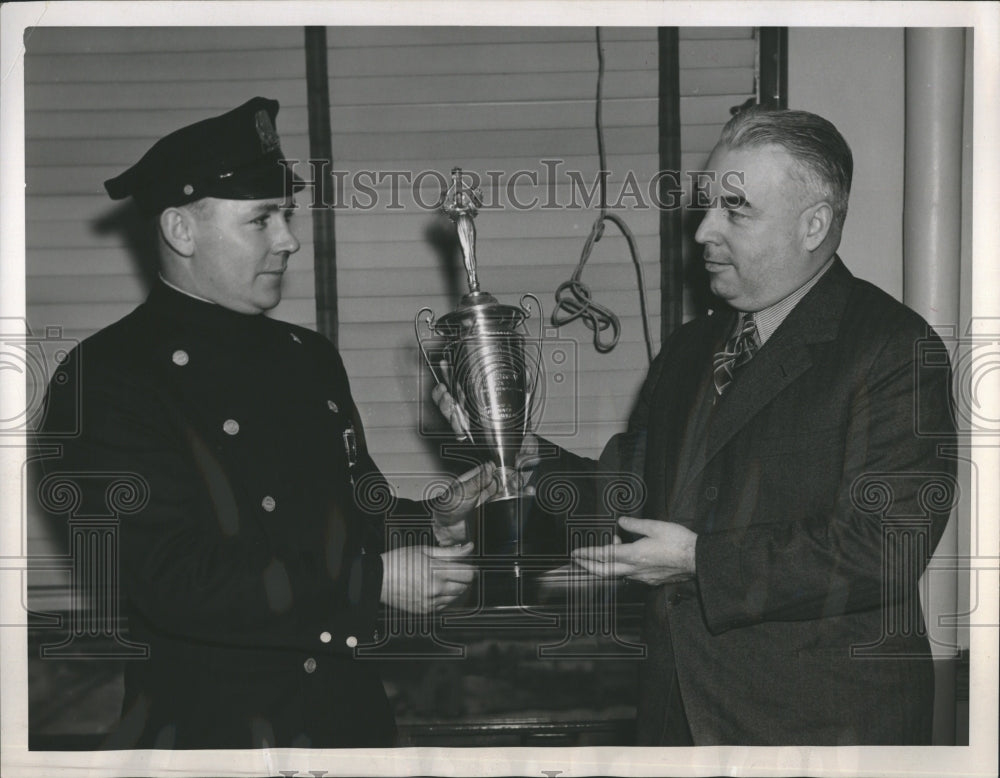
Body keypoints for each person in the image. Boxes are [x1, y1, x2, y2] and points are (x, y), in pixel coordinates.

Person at [436, 106, 957, 745]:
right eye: (708, 205)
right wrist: (516, 450)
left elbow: (885, 546)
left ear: (813, 225)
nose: (704, 231)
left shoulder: (892, 347)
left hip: (817, 732)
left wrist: (697, 562)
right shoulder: (689, 350)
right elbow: (626, 499)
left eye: (736, 210)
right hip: (677, 721)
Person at [38, 97, 494, 749]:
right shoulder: (106, 381)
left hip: (346, 727)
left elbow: (345, 513)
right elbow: (173, 580)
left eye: (287, 214)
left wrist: (430, 519)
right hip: (212, 737)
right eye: (261, 220)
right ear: (180, 231)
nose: (290, 239)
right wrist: (373, 586)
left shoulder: (307, 358)